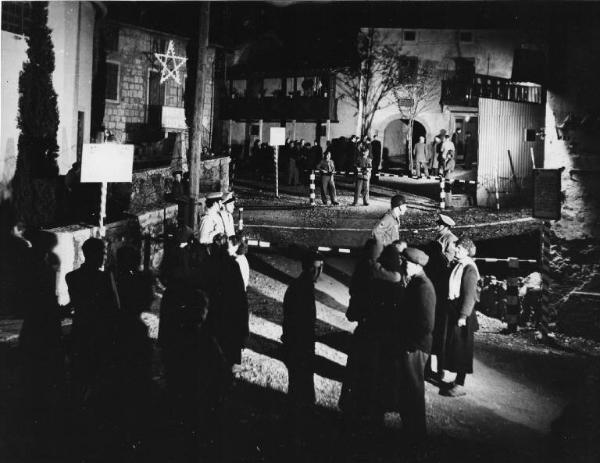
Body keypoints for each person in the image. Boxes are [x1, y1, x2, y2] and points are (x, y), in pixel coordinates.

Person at [65, 238, 119, 405]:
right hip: (100, 333)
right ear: (93, 254)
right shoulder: (105, 278)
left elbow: (75, 304)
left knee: (80, 377)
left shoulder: (72, 277)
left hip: (80, 331)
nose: (104, 257)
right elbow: (115, 307)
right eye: (102, 253)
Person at [281, 251, 324, 446]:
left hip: (297, 343)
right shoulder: (303, 288)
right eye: (317, 268)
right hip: (301, 344)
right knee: (301, 384)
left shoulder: (298, 286)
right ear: (310, 269)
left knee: (299, 383)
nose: (319, 272)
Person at [398, 247, 436, 441]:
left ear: (415, 265)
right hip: (413, 345)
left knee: (413, 389)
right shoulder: (416, 283)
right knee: (408, 388)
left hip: (416, 347)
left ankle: (416, 434)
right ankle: (410, 431)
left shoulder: (423, 287)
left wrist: (411, 344)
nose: (403, 265)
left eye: (405, 263)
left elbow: (427, 323)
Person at [440, 236, 480, 397]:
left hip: (463, 314)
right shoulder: (459, 265)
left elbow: (470, 295)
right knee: (456, 347)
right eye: (456, 247)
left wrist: (463, 315)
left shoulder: (469, 269)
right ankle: (456, 381)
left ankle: (460, 384)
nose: (456, 249)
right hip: (456, 311)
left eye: (459, 248)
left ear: (466, 251)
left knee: (462, 349)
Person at [424, 214, 458, 382]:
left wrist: (437, 253)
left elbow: (447, 262)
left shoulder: (450, 240)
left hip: (442, 290)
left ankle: (439, 371)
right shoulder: (440, 237)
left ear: (446, 226)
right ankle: (430, 368)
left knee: (440, 334)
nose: (436, 225)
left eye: (439, 224)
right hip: (436, 286)